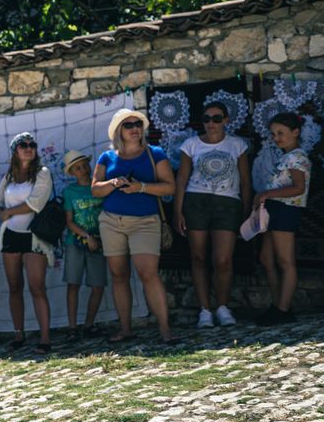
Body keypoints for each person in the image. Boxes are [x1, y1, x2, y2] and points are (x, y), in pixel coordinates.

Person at [92, 108, 178, 345]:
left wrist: (140, 187)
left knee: (148, 273)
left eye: (138, 124)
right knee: (119, 275)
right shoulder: (106, 158)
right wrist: (112, 182)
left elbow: (170, 187)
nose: (134, 129)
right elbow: (95, 189)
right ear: (119, 130)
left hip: (145, 221)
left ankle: (165, 330)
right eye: (128, 125)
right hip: (111, 221)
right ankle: (126, 329)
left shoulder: (155, 154)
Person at [174, 101, 251, 328]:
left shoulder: (238, 145)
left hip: (227, 203)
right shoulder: (191, 145)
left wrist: (246, 212)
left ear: (226, 120)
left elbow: (246, 182)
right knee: (198, 258)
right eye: (207, 119)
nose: (211, 123)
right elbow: (181, 180)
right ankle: (205, 310)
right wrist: (178, 212)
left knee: (223, 259)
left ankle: (223, 307)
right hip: (196, 201)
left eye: (217, 118)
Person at [0, 132, 55, 354]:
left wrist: (7, 211)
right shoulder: (10, 176)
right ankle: (19, 334)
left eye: (32, 144)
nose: (28, 148)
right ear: (15, 151)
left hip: (34, 236)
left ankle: (45, 338)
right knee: (14, 287)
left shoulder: (42, 173)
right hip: (10, 235)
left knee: (37, 287)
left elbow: (35, 203)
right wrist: (0, 211)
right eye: (23, 145)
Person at [255, 111, 310, 326]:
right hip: (276, 210)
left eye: (281, 133)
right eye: (273, 134)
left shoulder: (297, 157)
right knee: (266, 258)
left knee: (286, 261)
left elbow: (298, 187)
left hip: (286, 210)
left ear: (295, 132)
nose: (276, 138)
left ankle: (283, 309)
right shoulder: (286, 156)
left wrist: (267, 194)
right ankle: (278, 302)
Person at [62, 150, 107, 339]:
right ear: (72, 172)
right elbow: (69, 221)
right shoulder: (69, 192)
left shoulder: (99, 186)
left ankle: (89, 324)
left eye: (84, 165)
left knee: (98, 285)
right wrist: (87, 236)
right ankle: (72, 327)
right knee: (73, 284)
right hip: (77, 241)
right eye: (78, 168)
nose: (83, 170)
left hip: (100, 241)